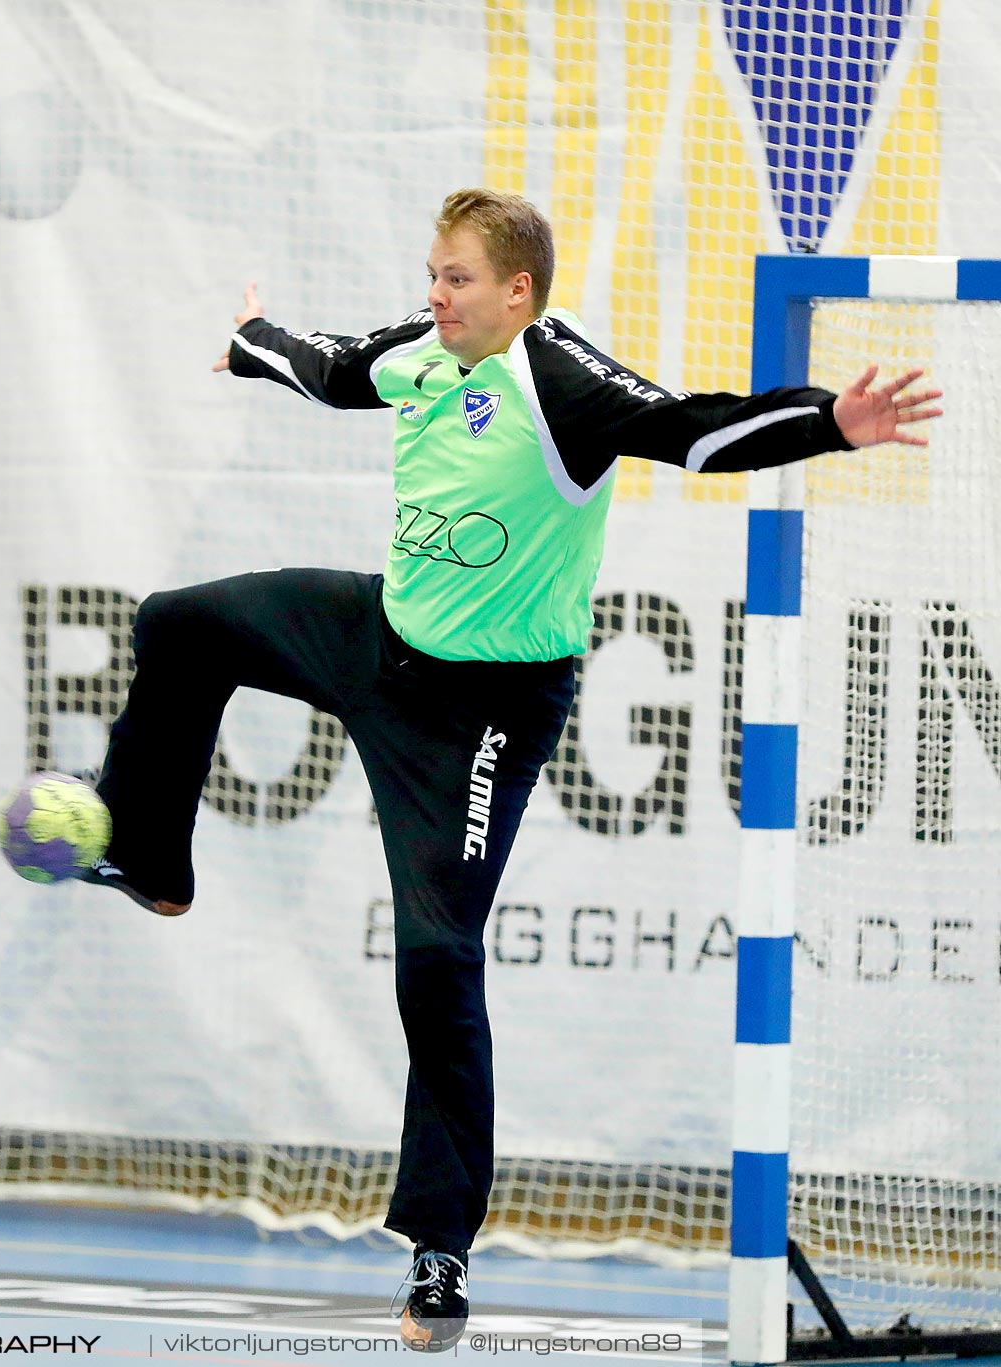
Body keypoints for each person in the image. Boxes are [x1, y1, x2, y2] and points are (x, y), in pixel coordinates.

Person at [80, 188, 941, 1351]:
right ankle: (148, 851)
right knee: (180, 622)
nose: (434, 295)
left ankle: (440, 1255)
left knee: (437, 957)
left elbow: (692, 427)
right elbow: (336, 368)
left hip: (483, 714)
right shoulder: (429, 350)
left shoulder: (562, 382)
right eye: (432, 274)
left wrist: (829, 421)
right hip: (381, 638)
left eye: (456, 279)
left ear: (517, 292)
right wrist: (251, 344)